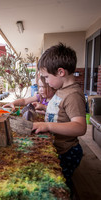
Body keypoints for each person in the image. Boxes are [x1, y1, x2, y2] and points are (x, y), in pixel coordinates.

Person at [32, 43, 87, 196]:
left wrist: (47, 125)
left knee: (60, 187)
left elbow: (80, 127)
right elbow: (60, 115)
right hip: (58, 146)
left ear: (60, 72)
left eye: (47, 77)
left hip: (67, 151)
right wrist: (45, 110)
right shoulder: (61, 90)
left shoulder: (73, 95)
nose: (46, 81)